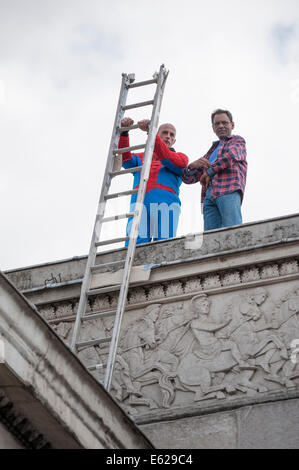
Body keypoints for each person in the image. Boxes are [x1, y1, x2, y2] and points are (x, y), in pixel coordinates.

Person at [118, 117, 188, 245]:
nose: (168, 136)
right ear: (159, 134)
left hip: (167, 204)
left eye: (171, 134)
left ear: (174, 140)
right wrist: (124, 133)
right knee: (134, 246)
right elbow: (125, 159)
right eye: (164, 132)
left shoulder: (181, 158)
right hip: (140, 202)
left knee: (163, 245)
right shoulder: (142, 157)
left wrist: (152, 132)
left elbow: (167, 157)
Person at [182, 109, 247, 231]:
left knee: (232, 230)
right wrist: (191, 166)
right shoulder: (210, 153)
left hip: (228, 190)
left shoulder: (237, 141)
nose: (221, 126)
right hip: (208, 197)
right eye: (217, 124)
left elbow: (231, 156)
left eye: (224, 122)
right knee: (210, 237)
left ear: (232, 125)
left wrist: (209, 172)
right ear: (213, 128)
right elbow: (188, 179)